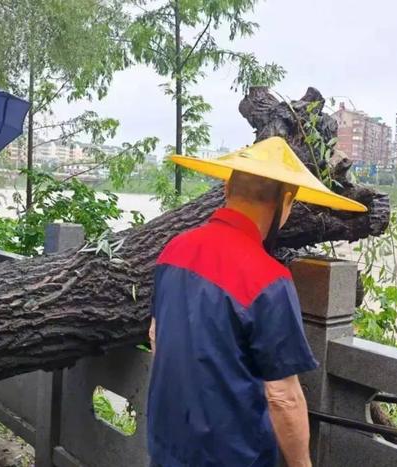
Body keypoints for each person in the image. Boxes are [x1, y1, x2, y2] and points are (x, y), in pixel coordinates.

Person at [147, 137, 367, 467]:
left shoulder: (174, 250)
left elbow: (156, 336)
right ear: (287, 201)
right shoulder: (268, 279)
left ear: (226, 190)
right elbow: (282, 396)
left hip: (167, 448)